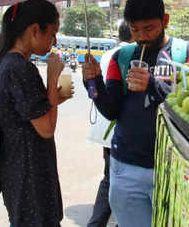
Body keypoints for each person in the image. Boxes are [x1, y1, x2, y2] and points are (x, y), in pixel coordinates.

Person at [82, 0, 189, 227]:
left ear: (165, 21)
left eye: (149, 28)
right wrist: (92, 83)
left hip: (173, 169)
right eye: (135, 30)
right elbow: (110, 110)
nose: (142, 37)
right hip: (126, 169)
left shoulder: (188, 55)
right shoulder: (121, 58)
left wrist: (153, 85)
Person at [0, 0, 73, 227]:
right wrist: (52, 78)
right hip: (30, 174)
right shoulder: (20, 68)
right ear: (34, 30)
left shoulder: (8, 62)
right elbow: (46, 129)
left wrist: (54, 96)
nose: (53, 42)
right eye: (52, 34)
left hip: (18, 170)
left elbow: (26, 113)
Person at [86, 21, 134, 227]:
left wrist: (90, 85)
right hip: (116, 129)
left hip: (105, 129)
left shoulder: (106, 55)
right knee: (114, 179)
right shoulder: (128, 56)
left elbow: (93, 93)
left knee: (111, 177)